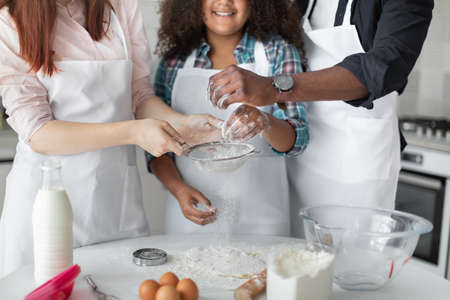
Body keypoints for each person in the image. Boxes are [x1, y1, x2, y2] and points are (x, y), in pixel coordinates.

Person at [0, 0, 221, 277]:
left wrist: (181, 124)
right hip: (45, 204)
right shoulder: (10, 22)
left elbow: (139, 96)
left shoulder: (120, 7)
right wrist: (134, 132)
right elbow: (39, 133)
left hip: (114, 199)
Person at [207, 0, 434, 237]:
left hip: (357, 158)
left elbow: (384, 67)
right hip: (299, 154)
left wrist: (274, 88)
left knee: (350, 260)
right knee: (293, 256)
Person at [148, 0, 309, 235]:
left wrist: (264, 121)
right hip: (191, 218)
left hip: (263, 221)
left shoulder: (278, 52)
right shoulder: (175, 62)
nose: (224, 2)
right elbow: (157, 150)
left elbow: (297, 140)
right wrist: (178, 190)